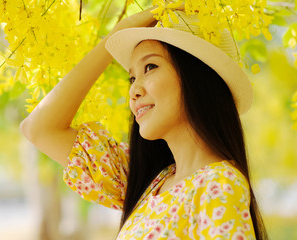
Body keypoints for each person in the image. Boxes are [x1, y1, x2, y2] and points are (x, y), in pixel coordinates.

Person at [20, 6, 268, 240]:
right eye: (131, 77)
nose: (134, 90)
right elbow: (40, 128)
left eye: (150, 67)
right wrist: (114, 36)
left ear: (195, 76)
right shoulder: (148, 182)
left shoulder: (219, 184)